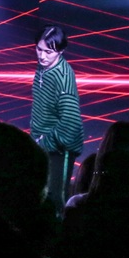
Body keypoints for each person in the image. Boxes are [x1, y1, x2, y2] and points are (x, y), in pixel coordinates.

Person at [30, 24, 84, 211]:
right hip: (41, 142)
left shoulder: (63, 77)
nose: (42, 56)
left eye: (48, 52)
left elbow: (70, 124)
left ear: (61, 51)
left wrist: (45, 142)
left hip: (60, 148)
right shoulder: (42, 67)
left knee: (56, 199)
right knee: (40, 193)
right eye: (39, 49)